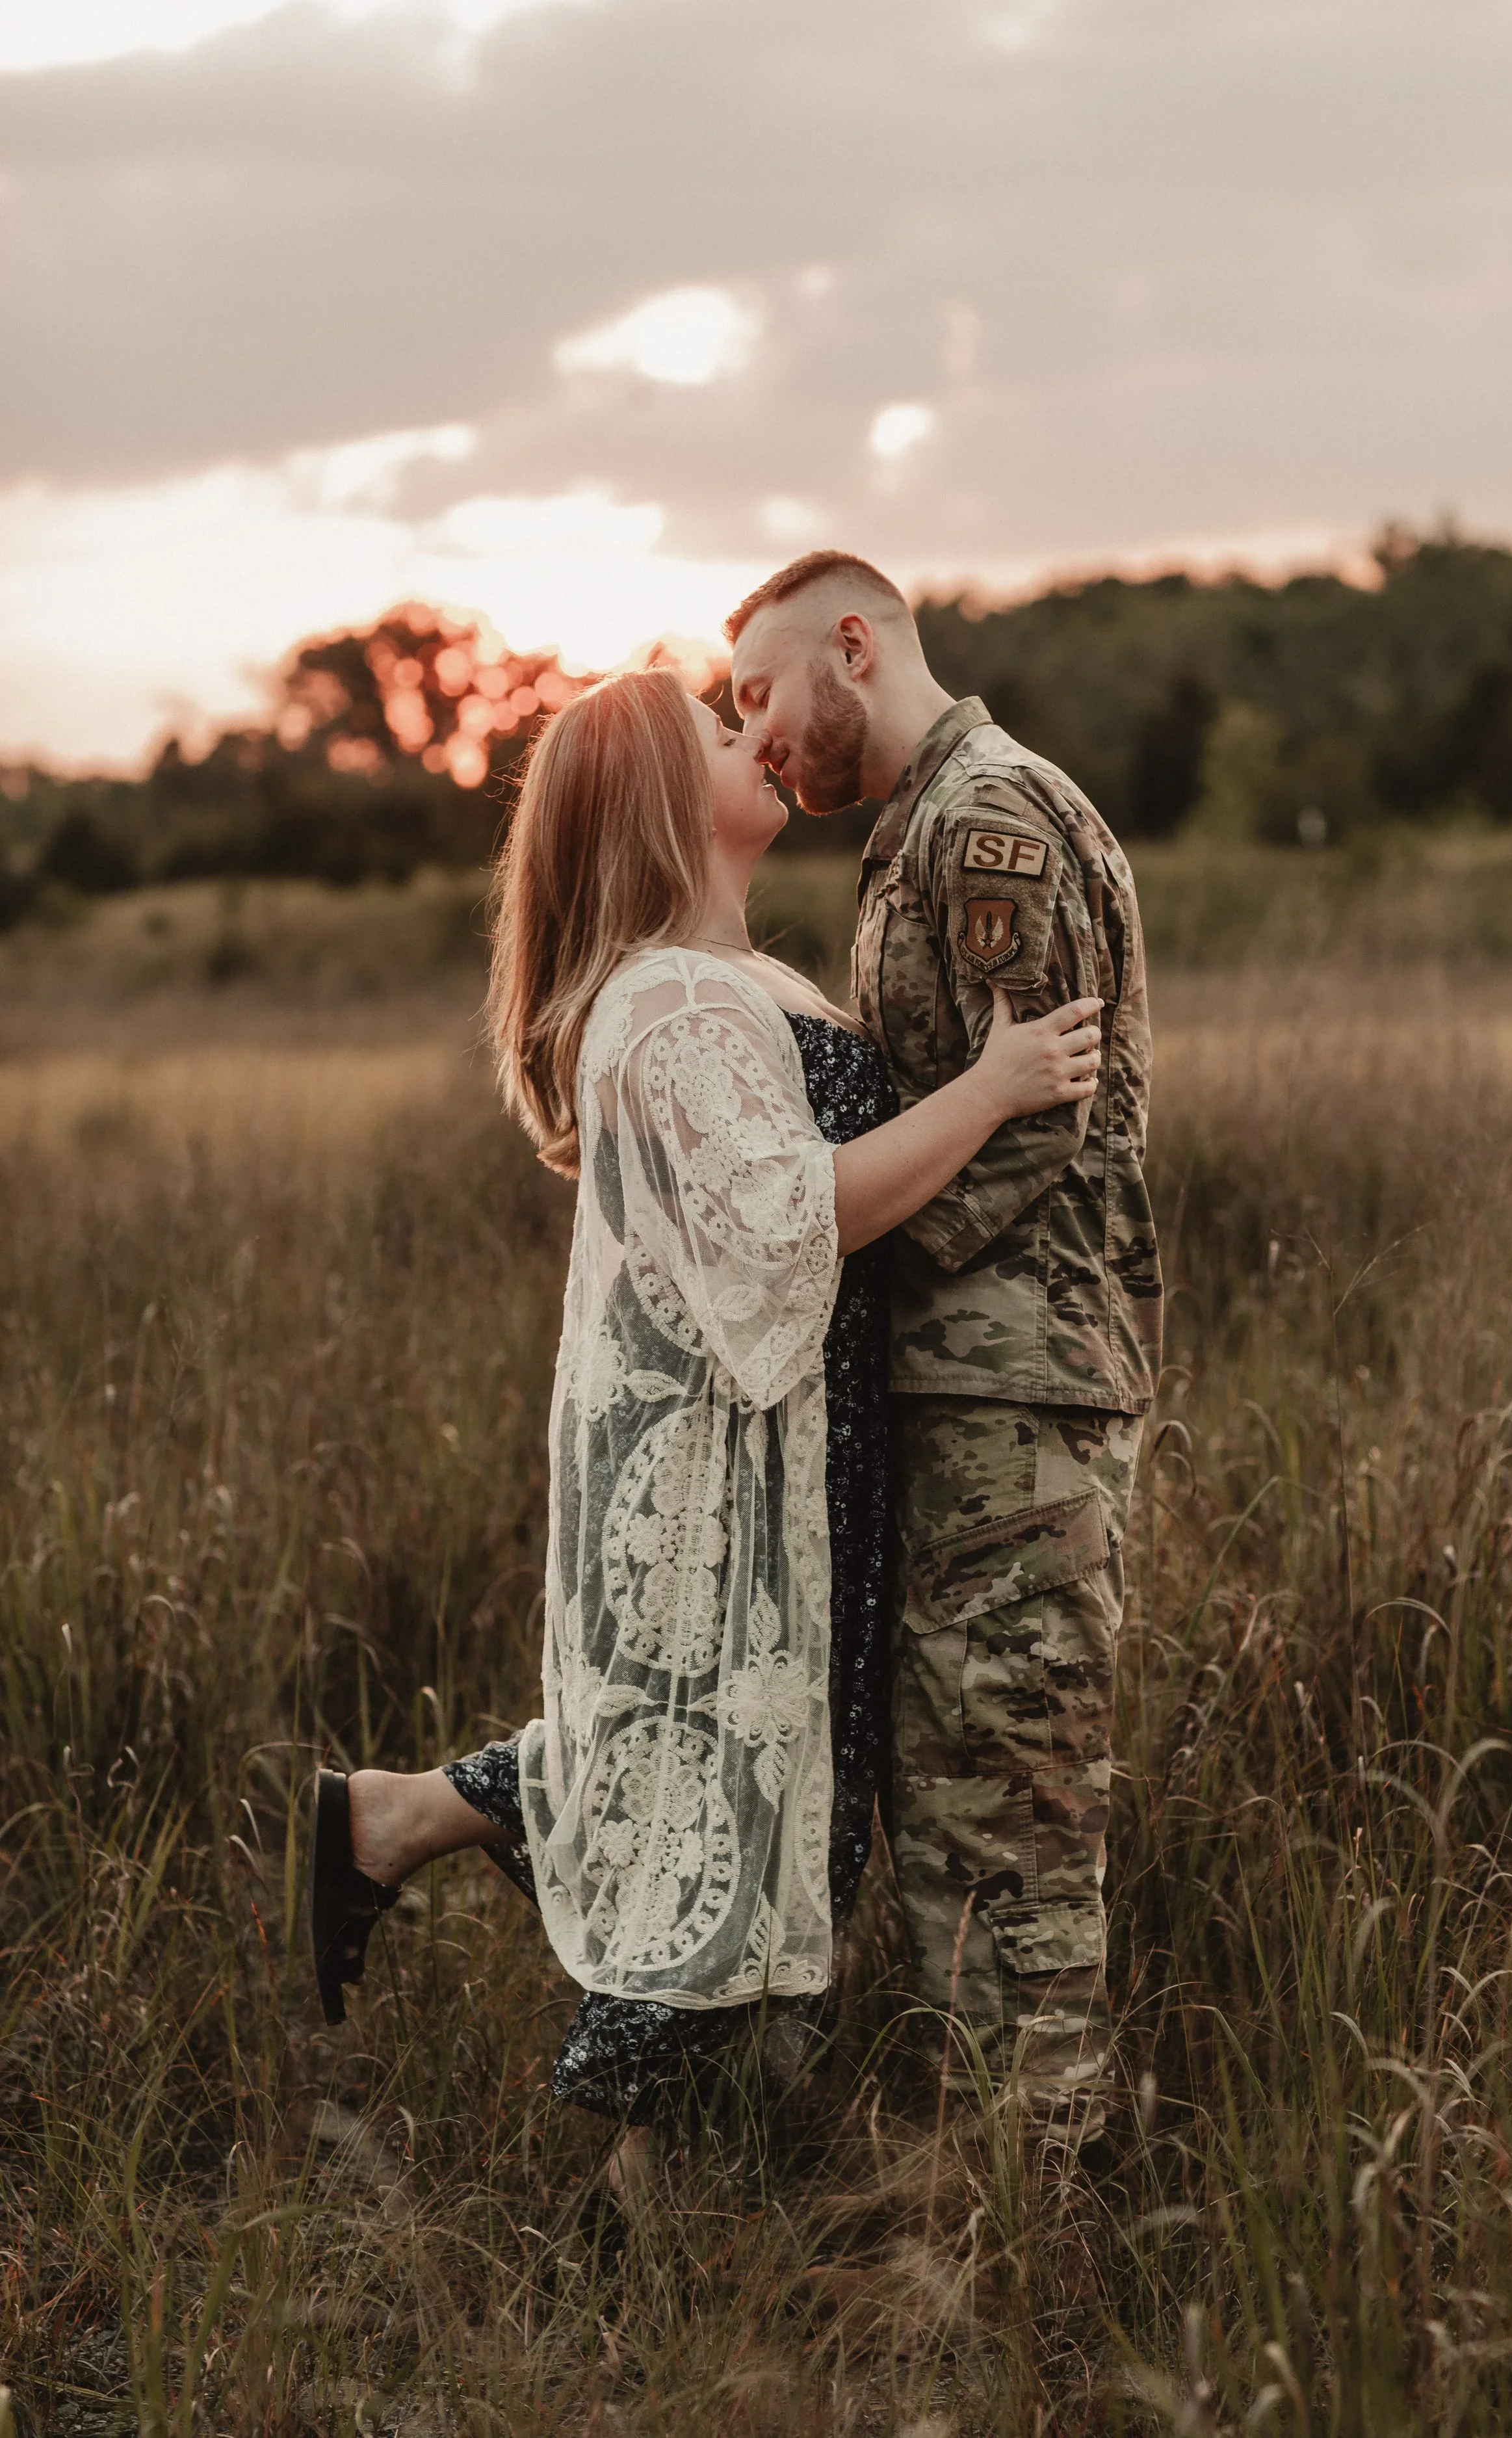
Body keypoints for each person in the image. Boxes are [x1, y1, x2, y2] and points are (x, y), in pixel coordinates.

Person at [309, 666, 1103, 2207]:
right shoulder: (669, 1004)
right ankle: (642, 2236)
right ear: (664, 807)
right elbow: (794, 1218)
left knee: (741, 1777)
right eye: (713, 736)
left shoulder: (741, 982)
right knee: (713, 1804)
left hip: (799, 1448)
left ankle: (399, 1821)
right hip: (732, 1474)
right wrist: (996, 1089)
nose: (755, 738)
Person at [725, 553, 1163, 2158]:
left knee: (1007, 1807)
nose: (756, 737)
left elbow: (1029, 1125)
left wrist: (829, 1243)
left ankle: (1029, 2215)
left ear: (854, 644)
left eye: (760, 694)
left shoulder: (986, 825)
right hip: (974, 1385)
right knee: (965, 1785)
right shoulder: (916, 833)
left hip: (1014, 1388)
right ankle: (995, 2173)